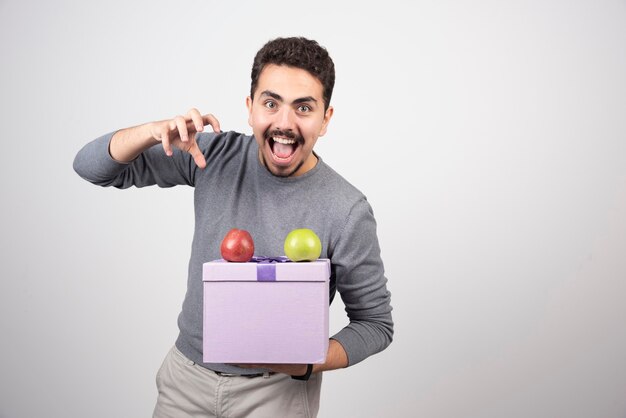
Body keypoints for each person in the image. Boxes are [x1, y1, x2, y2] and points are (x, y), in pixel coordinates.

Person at [74, 36, 393, 418]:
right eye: (271, 103)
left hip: (277, 393)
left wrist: (310, 362)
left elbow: (375, 325)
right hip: (185, 381)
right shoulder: (210, 154)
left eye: (304, 108)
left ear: (325, 119)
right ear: (250, 108)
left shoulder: (346, 208)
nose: (284, 123)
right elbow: (90, 167)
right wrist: (151, 131)